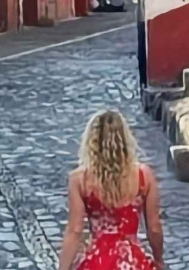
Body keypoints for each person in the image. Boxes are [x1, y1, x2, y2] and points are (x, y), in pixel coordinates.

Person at [58, 110, 164, 270]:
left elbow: (75, 230)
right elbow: (154, 228)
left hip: (97, 262)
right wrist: (158, 259)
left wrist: (63, 267)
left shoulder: (80, 180)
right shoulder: (143, 176)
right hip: (132, 262)